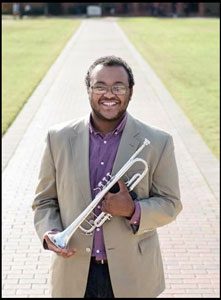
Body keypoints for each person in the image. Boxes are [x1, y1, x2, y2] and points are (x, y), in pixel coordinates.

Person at [32, 55, 182, 298]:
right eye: (100, 86)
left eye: (118, 87)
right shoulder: (57, 138)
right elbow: (44, 201)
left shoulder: (158, 141)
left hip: (133, 274)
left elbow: (171, 203)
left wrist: (133, 210)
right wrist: (49, 232)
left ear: (130, 92)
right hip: (74, 271)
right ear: (89, 90)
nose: (109, 94)